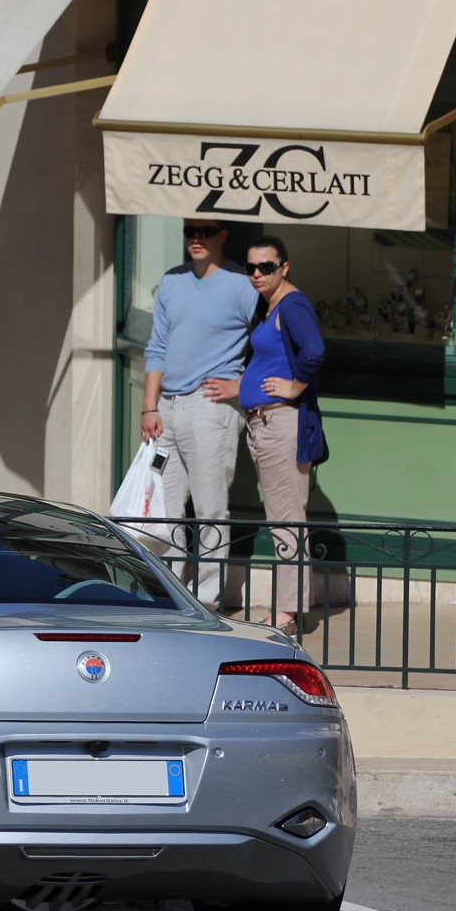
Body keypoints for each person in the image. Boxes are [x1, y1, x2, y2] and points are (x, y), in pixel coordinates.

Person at [209, 236, 326, 637]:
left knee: (287, 522)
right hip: (264, 424)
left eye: (266, 267)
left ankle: (288, 613)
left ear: (284, 267)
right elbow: (267, 359)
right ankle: (287, 608)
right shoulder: (271, 305)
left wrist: (294, 387)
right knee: (281, 518)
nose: (257, 274)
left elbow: (314, 350)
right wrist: (241, 388)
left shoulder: (292, 304)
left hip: (281, 424)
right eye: (251, 267)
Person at [140, 218, 259, 609]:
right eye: (189, 231)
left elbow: (275, 339)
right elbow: (156, 346)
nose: (196, 239)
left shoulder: (243, 285)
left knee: (210, 510)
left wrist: (243, 385)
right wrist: (149, 406)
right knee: (165, 511)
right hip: (167, 409)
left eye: (205, 232)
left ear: (222, 236)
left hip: (211, 408)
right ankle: (171, 595)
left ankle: (207, 599)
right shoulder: (172, 281)